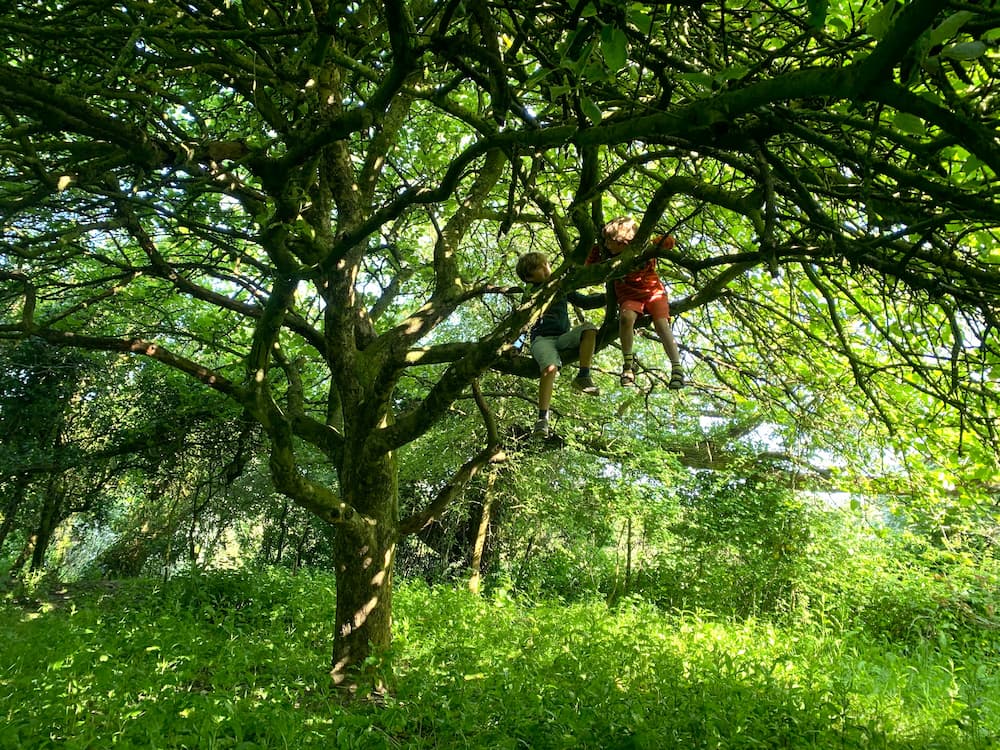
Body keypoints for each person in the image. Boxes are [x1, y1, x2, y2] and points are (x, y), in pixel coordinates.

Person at [586, 216, 684, 389]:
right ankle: (628, 365)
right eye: (605, 241)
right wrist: (596, 249)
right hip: (629, 296)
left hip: (653, 293)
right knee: (626, 319)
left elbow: (670, 242)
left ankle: (677, 368)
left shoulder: (643, 249)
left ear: (623, 241)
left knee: (661, 324)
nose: (607, 244)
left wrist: (655, 242)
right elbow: (588, 268)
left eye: (610, 241)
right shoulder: (607, 256)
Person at [516, 251, 605, 438]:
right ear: (529, 278)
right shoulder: (531, 294)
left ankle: (583, 375)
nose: (545, 269)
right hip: (542, 340)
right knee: (550, 368)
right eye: (538, 268)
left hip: (563, 337)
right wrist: (516, 346)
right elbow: (522, 323)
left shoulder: (561, 286)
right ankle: (542, 419)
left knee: (589, 329)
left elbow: (585, 302)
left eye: (545, 264)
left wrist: (610, 296)